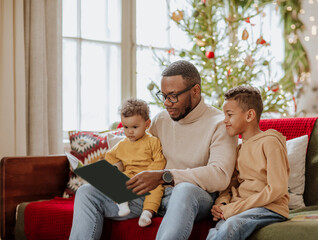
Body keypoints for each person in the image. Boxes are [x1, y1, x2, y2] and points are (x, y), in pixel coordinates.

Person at [69, 60, 238, 240]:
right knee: (86, 193)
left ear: (195, 91)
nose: (166, 103)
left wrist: (165, 176)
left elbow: (220, 175)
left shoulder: (220, 123)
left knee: (184, 190)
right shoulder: (161, 119)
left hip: (194, 197)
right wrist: (114, 170)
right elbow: (139, 151)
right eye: (163, 95)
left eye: (173, 96)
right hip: (153, 194)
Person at [206, 86, 290, 240]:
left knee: (231, 227)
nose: (225, 120)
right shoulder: (238, 149)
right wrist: (223, 204)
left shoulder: (270, 142)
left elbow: (277, 188)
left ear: (250, 115)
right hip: (242, 208)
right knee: (215, 231)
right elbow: (230, 185)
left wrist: (234, 209)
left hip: (269, 208)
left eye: (229, 114)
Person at [105, 98, 166, 227]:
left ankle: (147, 212)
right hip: (129, 177)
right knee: (116, 183)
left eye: (134, 127)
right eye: (126, 127)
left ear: (147, 124)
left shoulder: (152, 141)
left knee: (157, 190)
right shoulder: (121, 145)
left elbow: (160, 160)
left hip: (148, 178)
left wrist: (148, 173)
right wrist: (115, 169)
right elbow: (109, 157)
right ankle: (122, 204)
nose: (129, 131)